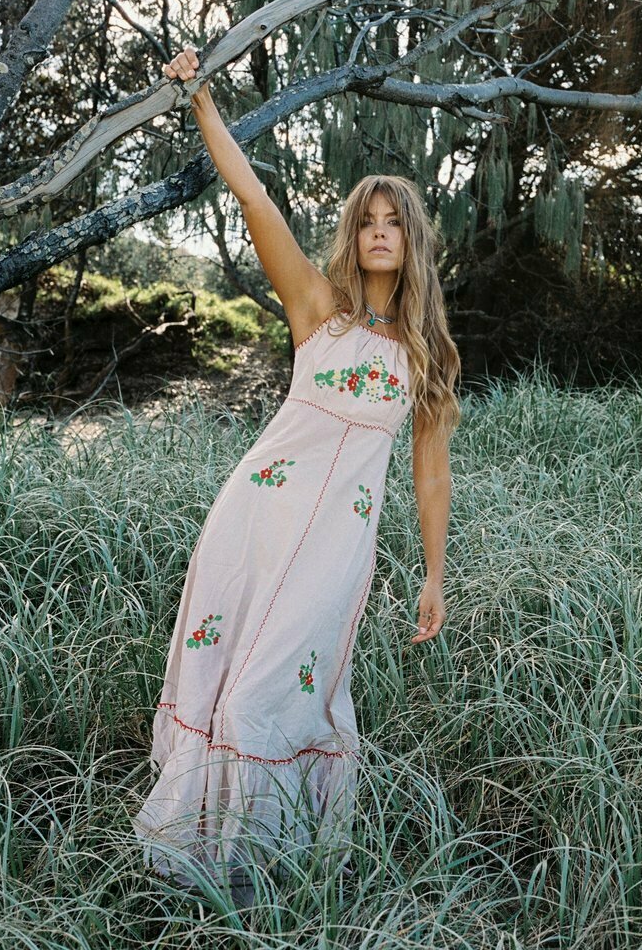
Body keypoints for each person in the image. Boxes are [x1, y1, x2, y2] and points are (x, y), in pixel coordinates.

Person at [133, 45, 461, 905]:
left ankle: (275, 863)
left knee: (277, 688)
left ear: (412, 238)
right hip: (255, 520)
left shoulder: (426, 358)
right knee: (223, 676)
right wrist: (199, 97)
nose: (378, 231)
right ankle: (209, 871)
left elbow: (431, 475)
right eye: (366, 220)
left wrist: (432, 575)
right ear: (353, 236)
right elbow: (253, 197)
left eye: (393, 220)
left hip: (335, 549)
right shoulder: (317, 308)